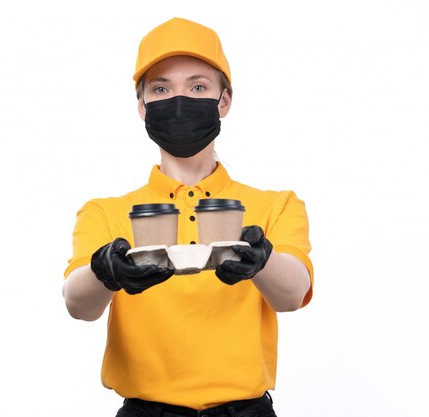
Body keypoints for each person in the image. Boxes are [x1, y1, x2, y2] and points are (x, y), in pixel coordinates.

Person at [62, 17, 314, 417]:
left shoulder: (276, 204)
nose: (179, 100)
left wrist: (260, 261)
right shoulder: (105, 212)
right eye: (161, 89)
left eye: (198, 87)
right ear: (143, 107)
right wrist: (106, 271)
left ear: (224, 101)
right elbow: (79, 305)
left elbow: (292, 296)